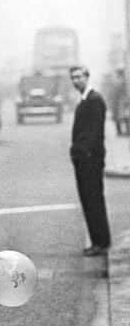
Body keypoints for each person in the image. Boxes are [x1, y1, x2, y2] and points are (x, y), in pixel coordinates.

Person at [69, 65, 111, 256]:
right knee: (89, 200)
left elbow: (93, 133)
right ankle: (98, 241)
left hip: (90, 160)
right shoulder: (86, 99)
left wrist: (81, 153)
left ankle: (100, 243)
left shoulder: (94, 100)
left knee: (93, 200)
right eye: (73, 77)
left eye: (79, 76)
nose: (76, 80)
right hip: (85, 159)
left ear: (87, 77)